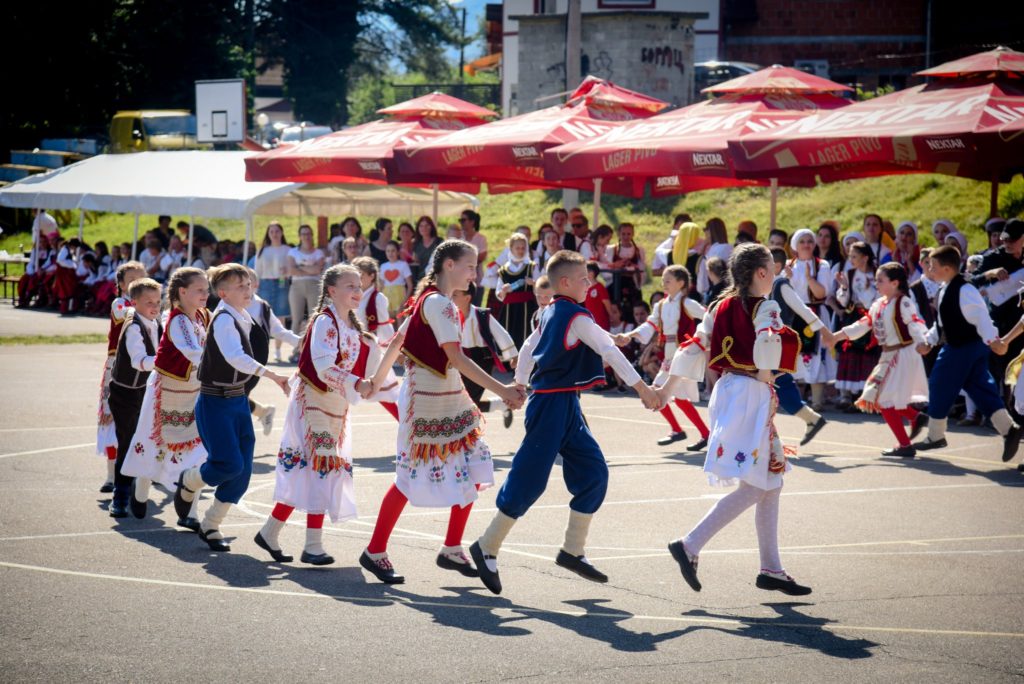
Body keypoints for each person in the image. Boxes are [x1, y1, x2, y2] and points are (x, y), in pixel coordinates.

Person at [469, 250, 661, 594]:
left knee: (594, 473)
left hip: (565, 401)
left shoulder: (549, 313)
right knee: (529, 479)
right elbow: (609, 351)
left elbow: (529, 348)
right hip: (550, 404)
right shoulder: (572, 315)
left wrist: (520, 381)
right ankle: (487, 546)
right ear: (566, 282)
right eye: (585, 278)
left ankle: (573, 549)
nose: (590, 283)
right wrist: (643, 389)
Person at [360, 240, 525, 584]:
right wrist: (504, 390)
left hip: (447, 395)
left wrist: (376, 381)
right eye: (469, 266)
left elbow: (396, 343)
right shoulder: (440, 304)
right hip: (425, 398)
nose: (474, 274)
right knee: (409, 475)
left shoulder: (432, 301)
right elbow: (458, 359)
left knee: (471, 464)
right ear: (448, 265)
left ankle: (452, 547)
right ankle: (374, 550)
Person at [661, 243, 810, 596]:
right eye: (772, 270)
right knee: (758, 484)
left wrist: (666, 390)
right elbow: (766, 342)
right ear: (761, 273)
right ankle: (690, 543)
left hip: (729, 391)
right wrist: (763, 373)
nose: (775, 275)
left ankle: (771, 568)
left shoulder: (719, 305)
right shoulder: (766, 306)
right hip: (750, 396)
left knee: (771, 482)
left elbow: (693, 347)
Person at [255, 265, 379, 565]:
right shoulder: (325, 322)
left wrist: (372, 379)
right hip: (312, 401)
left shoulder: (352, 326)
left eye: (359, 285)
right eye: (350, 285)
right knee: (323, 466)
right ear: (332, 291)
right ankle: (312, 546)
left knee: (310, 470)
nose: (357, 290)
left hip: (336, 405)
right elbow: (324, 367)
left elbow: (365, 369)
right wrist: (356, 383)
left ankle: (270, 532)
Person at [172, 264, 291, 552]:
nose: (248, 290)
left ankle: (211, 525)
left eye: (249, 284)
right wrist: (273, 375)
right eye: (240, 286)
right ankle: (189, 480)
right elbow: (236, 357)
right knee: (228, 464)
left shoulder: (245, 315)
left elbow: (261, 345)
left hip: (237, 401)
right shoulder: (224, 319)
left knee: (243, 471)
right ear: (223, 293)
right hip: (215, 402)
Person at [911, 246, 1021, 461]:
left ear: (947, 268)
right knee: (979, 387)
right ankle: (1010, 429)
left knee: (939, 382)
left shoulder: (964, 289)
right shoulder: (945, 288)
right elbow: (941, 325)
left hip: (964, 347)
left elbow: (981, 317)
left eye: (933, 266)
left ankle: (935, 435)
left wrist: (994, 341)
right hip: (965, 346)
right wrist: (928, 342)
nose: (929, 270)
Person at [121, 268, 210, 523]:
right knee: (155, 444)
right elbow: (192, 352)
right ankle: (140, 487)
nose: (206, 294)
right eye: (200, 290)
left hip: (194, 391)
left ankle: (189, 513)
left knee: (196, 449)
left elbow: (215, 343)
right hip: (166, 392)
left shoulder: (203, 315)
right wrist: (223, 362)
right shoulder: (177, 319)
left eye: (207, 289)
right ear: (183, 292)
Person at [827, 263, 929, 457]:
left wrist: (924, 342)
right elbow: (862, 325)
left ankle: (906, 443)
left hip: (903, 354)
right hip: (888, 356)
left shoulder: (903, 302)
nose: (876, 284)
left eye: (880, 280)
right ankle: (915, 419)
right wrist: (836, 336)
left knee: (882, 399)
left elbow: (916, 323)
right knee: (885, 398)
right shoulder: (879, 304)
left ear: (895, 283)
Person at [616, 265, 709, 449]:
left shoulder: (687, 303)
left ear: (681, 283)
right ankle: (694, 432)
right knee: (671, 395)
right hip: (669, 355)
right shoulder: (661, 305)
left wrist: (702, 340)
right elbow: (649, 325)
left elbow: (708, 317)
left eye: (668, 280)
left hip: (683, 354)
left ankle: (692, 432)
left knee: (658, 391)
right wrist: (630, 335)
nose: (663, 283)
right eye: (663, 280)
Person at [107, 278, 163, 518]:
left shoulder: (155, 322)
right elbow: (138, 360)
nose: (155, 306)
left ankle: (140, 489)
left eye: (158, 301)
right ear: (134, 302)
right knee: (128, 443)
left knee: (149, 441)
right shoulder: (133, 327)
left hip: (146, 391)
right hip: (125, 393)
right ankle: (119, 496)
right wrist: (167, 362)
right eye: (149, 302)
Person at [95, 261, 146, 493]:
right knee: (111, 418)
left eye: (142, 277)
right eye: (132, 279)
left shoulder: (150, 307)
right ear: (122, 285)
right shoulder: (121, 304)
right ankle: (111, 475)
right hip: (117, 368)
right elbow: (131, 314)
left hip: (142, 369)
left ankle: (135, 473)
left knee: (138, 420)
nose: (137, 282)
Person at [245, 268, 302, 436]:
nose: (243, 288)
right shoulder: (225, 305)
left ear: (256, 285)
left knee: (237, 398)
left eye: (247, 284)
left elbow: (280, 331)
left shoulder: (262, 307)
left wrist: (302, 343)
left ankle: (242, 438)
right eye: (239, 284)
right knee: (234, 399)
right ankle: (262, 413)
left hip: (253, 361)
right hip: (229, 361)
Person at [453, 283, 518, 428]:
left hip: (481, 360)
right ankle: (500, 405)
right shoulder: (450, 315)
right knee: (462, 401)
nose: (451, 298)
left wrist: (513, 355)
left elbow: (501, 334)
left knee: (468, 402)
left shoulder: (481, 315)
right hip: (460, 359)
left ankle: (469, 435)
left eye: (455, 295)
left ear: (467, 298)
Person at [788, 229, 834, 411]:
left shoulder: (821, 265)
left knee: (815, 356)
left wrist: (808, 277)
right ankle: (797, 401)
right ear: (795, 246)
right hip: (794, 316)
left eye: (809, 241)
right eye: (802, 241)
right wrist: (787, 278)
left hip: (814, 313)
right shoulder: (788, 266)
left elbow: (821, 293)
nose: (806, 244)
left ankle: (817, 401)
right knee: (795, 356)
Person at [351, 257, 401, 422]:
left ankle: (409, 427)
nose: (357, 278)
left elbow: (384, 328)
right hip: (352, 349)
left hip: (369, 351)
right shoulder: (355, 295)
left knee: (386, 393)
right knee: (342, 391)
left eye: (361, 274)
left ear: (372, 276)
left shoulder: (377, 298)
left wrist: (391, 351)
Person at [834, 242, 881, 411]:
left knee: (869, 354)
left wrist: (869, 292)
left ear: (865, 257)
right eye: (850, 256)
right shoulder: (850, 274)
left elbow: (877, 298)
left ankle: (865, 396)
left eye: (854, 256)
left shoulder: (877, 274)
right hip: (854, 317)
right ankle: (846, 395)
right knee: (850, 352)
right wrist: (844, 287)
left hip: (871, 317)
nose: (851, 259)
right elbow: (843, 300)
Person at [254, 221, 292, 362]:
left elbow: (292, 269)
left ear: (282, 233)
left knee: (280, 318)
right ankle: (263, 350)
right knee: (264, 317)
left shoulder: (288, 249)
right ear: (268, 234)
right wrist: (255, 288)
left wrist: (287, 272)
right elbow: (257, 271)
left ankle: (277, 350)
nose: (274, 234)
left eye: (277, 231)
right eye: (272, 231)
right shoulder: (263, 250)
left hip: (282, 283)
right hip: (265, 284)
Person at [494, 233, 537, 349]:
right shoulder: (503, 270)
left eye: (523, 248)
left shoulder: (531, 266)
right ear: (511, 248)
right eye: (517, 248)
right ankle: (509, 364)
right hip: (510, 311)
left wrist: (533, 283)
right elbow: (499, 293)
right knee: (510, 337)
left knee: (526, 335)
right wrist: (503, 291)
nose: (520, 251)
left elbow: (542, 287)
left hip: (527, 308)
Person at [287, 224, 326, 346]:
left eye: (308, 234)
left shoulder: (318, 252)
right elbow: (291, 270)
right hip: (296, 286)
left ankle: (313, 347)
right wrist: (310, 268)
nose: (306, 236)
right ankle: (295, 348)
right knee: (296, 319)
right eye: (303, 234)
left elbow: (317, 269)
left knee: (313, 317)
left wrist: (300, 267)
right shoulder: (292, 252)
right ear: (299, 236)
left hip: (314, 285)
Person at [379, 241, 413, 318]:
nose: (390, 253)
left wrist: (405, 301)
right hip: (386, 296)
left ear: (398, 252)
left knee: (400, 319)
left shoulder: (403, 265)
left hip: (400, 296)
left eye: (393, 251)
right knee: (388, 320)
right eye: (388, 251)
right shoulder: (383, 266)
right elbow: (381, 285)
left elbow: (410, 285)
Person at [460, 210, 488, 287]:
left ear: (472, 222)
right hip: (459, 280)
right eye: (460, 220)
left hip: (477, 280)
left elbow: (482, 257)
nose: (461, 222)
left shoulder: (481, 238)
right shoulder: (458, 237)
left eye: (463, 220)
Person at [583, 261, 612, 331]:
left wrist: (611, 316)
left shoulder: (600, 287)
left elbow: (607, 303)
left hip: (601, 322)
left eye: (586, 271)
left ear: (592, 273)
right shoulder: (585, 287)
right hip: (590, 321)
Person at [411, 216, 440, 281]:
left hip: (436, 278)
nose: (424, 228)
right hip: (421, 280)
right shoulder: (416, 244)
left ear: (431, 227)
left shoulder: (439, 241)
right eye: (421, 226)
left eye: (427, 225)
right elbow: (415, 261)